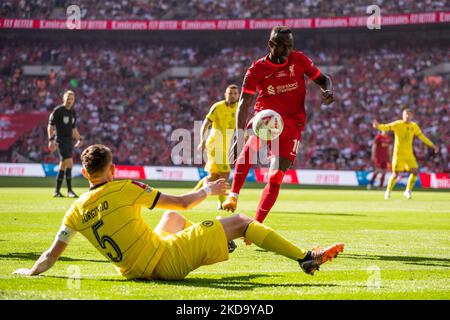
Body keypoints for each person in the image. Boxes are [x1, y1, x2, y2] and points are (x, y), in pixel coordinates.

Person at [13, 144, 344, 280]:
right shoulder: (126, 187)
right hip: (164, 261)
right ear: (112, 169)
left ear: (85, 174)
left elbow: (52, 254)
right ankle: (304, 257)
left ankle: (216, 242)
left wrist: (31, 272)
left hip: (130, 270)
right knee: (241, 221)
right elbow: (185, 202)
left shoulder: (73, 211)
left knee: (172, 221)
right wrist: (208, 190)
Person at [223, 26, 334, 224]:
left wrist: (328, 91)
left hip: (292, 123)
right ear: (271, 45)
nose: (286, 51)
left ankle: (255, 226)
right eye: (282, 47)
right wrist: (239, 135)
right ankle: (234, 195)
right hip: (266, 119)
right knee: (249, 150)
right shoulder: (256, 70)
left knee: (275, 177)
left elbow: (323, 79)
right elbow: (244, 103)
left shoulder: (299, 59)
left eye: (289, 46)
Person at [372, 107, 439, 200]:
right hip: (398, 154)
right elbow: (386, 127)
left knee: (415, 171)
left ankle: (407, 191)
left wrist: (432, 145)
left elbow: (422, 137)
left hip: (409, 154)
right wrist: (378, 126)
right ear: (402, 116)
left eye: (409, 114)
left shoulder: (414, 126)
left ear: (412, 116)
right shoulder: (398, 124)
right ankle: (388, 191)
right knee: (395, 174)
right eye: (405, 114)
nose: (407, 116)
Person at [194, 84, 240, 210]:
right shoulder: (218, 107)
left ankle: (191, 196)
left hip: (225, 146)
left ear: (238, 95)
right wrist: (202, 140)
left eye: (235, 93)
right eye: (230, 93)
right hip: (214, 144)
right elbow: (205, 124)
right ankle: (221, 203)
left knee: (213, 177)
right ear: (225, 95)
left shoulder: (239, 108)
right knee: (225, 172)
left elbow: (240, 126)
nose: (232, 95)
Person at [48, 90, 83, 198]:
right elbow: (50, 125)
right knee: (70, 163)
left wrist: (79, 138)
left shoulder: (73, 112)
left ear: (74, 100)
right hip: (60, 141)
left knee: (62, 165)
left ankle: (57, 191)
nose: (69, 101)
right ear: (64, 99)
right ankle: (69, 190)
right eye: (68, 98)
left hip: (69, 142)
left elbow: (73, 128)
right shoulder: (58, 111)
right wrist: (51, 140)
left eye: (71, 99)